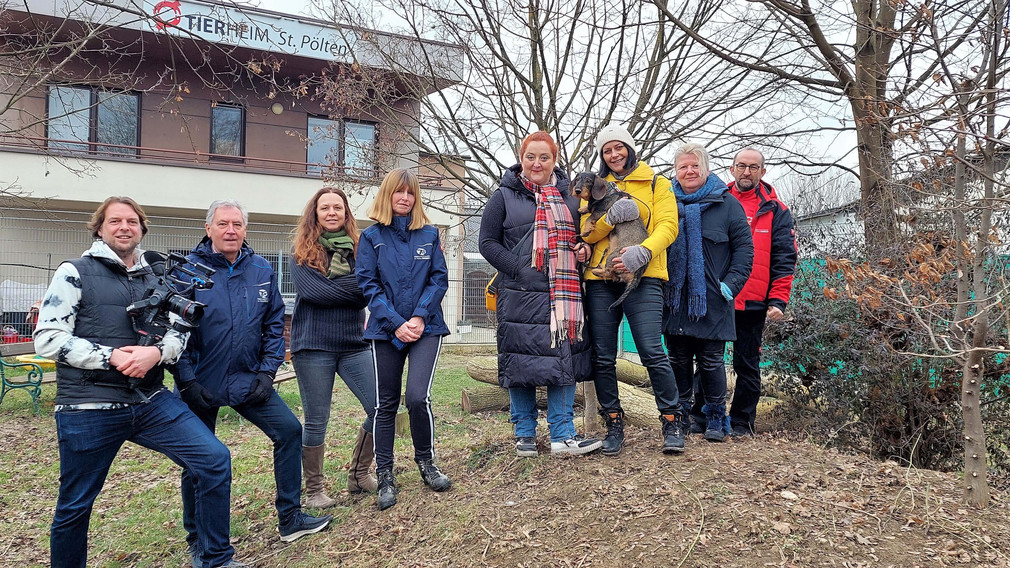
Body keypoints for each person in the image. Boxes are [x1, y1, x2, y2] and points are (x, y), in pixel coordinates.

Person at [34, 197, 243, 568]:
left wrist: (157, 354)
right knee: (76, 503)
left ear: (142, 228)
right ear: (100, 228)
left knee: (213, 459)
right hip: (88, 404)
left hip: (149, 399)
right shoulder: (75, 271)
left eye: (132, 221)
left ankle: (215, 559)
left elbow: (181, 330)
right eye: (115, 221)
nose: (124, 227)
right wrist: (110, 357)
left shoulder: (156, 275)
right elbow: (48, 337)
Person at [175, 200, 331, 558]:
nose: (231, 230)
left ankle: (290, 518)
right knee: (198, 459)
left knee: (290, 431)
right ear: (208, 228)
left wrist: (267, 370)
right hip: (200, 382)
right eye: (223, 224)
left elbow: (274, 323)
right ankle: (198, 539)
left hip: (248, 379)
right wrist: (186, 381)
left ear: (246, 230)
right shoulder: (188, 270)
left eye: (237, 224)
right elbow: (175, 329)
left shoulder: (261, 269)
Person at [479, 131, 601, 458]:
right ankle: (525, 435)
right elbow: (487, 243)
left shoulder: (571, 197)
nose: (537, 163)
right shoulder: (503, 196)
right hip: (519, 293)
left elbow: (586, 237)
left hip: (563, 294)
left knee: (565, 358)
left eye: (544, 157)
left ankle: (563, 435)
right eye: (531, 156)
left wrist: (584, 249)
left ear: (554, 161)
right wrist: (518, 267)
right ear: (522, 158)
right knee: (522, 360)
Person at [582, 124, 684, 455]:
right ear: (601, 155)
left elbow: (668, 226)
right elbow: (587, 235)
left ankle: (671, 421)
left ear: (630, 148)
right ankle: (613, 423)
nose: (614, 155)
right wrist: (610, 220)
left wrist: (643, 251)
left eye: (619, 147)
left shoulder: (658, 182)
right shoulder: (596, 188)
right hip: (601, 280)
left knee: (652, 351)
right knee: (602, 355)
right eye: (607, 150)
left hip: (645, 275)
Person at [356, 168, 452, 511]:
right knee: (385, 404)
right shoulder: (370, 237)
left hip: (426, 327)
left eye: (410, 193)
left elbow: (438, 279)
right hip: (385, 329)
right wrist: (396, 322)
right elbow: (368, 285)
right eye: (399, 192)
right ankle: (385, 474)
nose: (405, 198)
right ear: (388, 195)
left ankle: (426, 463)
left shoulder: (428, 234)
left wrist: (417, 317)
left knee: (416, 397)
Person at [290, 187, 377, 506]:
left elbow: (369, 289)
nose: (331, 212)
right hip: (313, 346)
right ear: (315, 213)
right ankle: (314, 491)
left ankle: (358, 475)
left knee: (381, 407)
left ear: (345, 213)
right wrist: (353, 288)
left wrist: (341, 287)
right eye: (324, 207)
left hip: (354, 343)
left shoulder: (360, 248)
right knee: (316, 419)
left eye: (337, 207)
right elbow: (314, 293)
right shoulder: (302, 250)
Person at [662, 143, 753, 443]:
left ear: (706, 169)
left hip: (713, 298)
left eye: (694, 166)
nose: (689, 171)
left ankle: (716, 416)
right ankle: (682, 416)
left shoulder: (727, 204)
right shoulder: (665, 202)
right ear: (675, 171)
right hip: (675, 297)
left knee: (712, 360)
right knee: (677, 359)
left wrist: (731, 284)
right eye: (683, 166)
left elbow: (744, 250)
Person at [714, 148, 796, 437]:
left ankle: (741, 423)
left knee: (746, 365)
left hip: (754, 302)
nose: (746, 172)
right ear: (732, 168)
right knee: (709, 361)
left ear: (763, 171)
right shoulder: (716, 200)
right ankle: (704, 417)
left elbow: (785, 259)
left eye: (753, 167)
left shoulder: (777, 210)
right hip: (716, 298)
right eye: (741, 166)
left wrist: (778, 300)